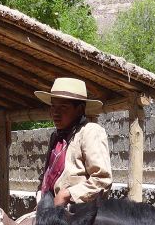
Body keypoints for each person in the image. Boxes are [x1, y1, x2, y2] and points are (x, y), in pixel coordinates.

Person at [34, 77, 112, 206]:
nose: (55, 113)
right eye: (53, 106)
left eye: (63, 107)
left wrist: (67, 194)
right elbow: (47, 175)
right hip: (50, 207)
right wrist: (40, 195)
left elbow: (102, 180)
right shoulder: (56, 136)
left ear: (80, 109)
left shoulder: (90, 132)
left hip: (79, 211)